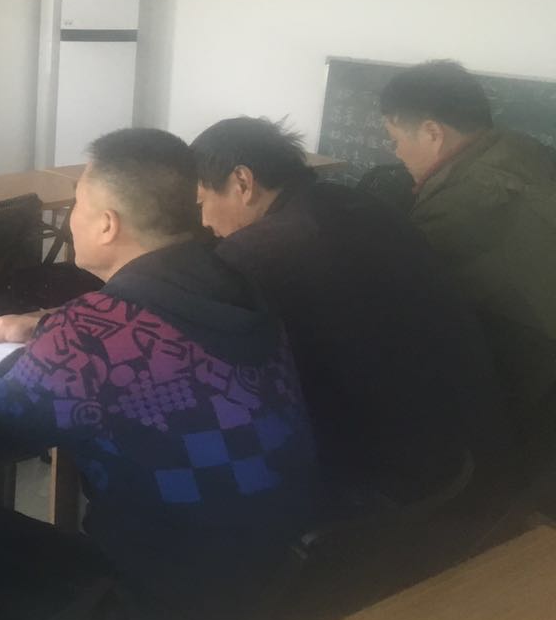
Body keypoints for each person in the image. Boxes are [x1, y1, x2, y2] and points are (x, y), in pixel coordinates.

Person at [0, 129, 317, 620]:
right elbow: (156, 334)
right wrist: (45, 326)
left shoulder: (91, 337)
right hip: (276, 575)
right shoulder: (238, 283)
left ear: (108, 225)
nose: (71, 220)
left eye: (77, 206)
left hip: (165, 606)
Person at [190, 116, 514, 502]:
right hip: (469, 437)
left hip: (384, 474)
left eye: (202, 201)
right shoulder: (360, 202)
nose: (204, 221)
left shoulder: (256, 252)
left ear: (242, 182)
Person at [380, 60, 556, 438]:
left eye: (396, 140)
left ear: (432, 132)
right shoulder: (521, 148)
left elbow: (406, 311)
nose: (397, 153)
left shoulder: (459, 207)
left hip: (530, 391)